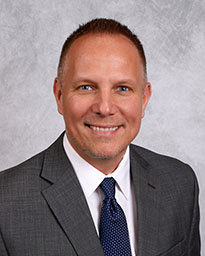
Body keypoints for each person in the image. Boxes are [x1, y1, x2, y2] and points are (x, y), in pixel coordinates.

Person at [0, 18, 200, 256]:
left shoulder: (179, 184)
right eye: (86, 87)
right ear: (59, 95)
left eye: (122, 88)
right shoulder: (6, 204)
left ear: (144, 99)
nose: (105, 108)